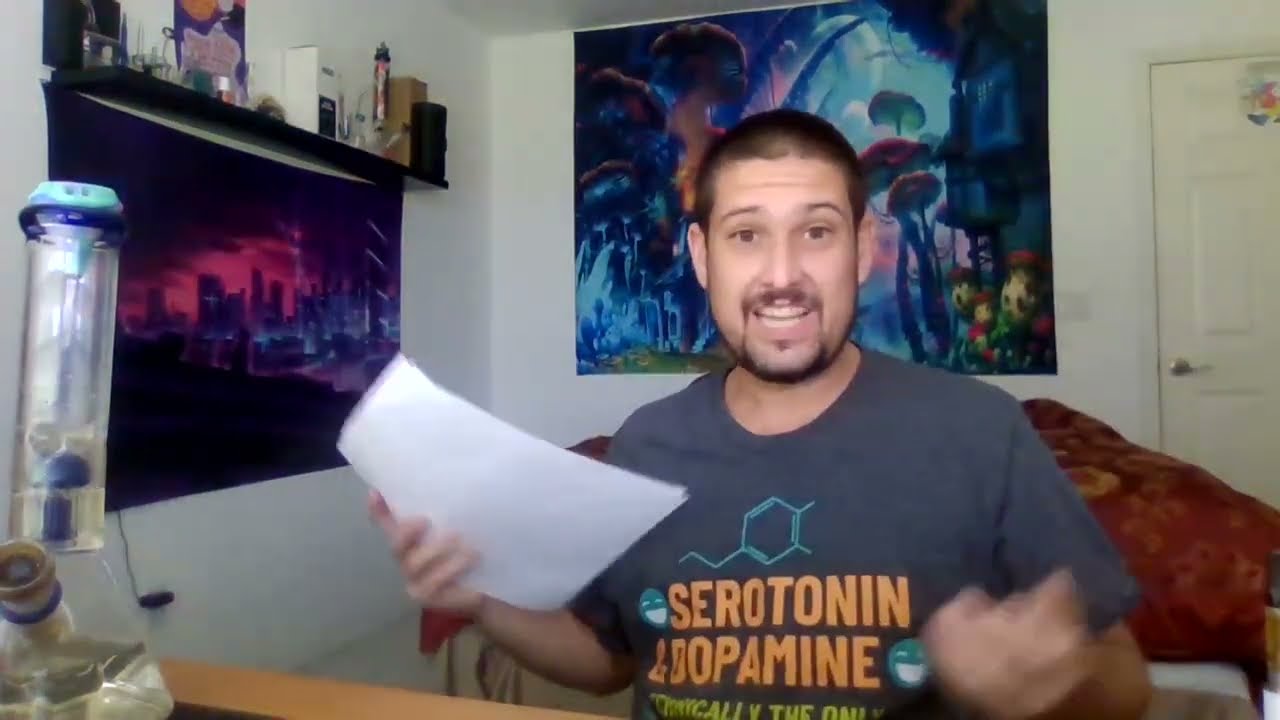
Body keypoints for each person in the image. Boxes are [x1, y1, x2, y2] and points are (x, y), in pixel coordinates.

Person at [370, 109, 1153, 720]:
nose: (783, 275)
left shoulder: (980, 432)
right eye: (747, 236)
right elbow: (609, 661)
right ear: (703, 256)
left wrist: (1055, 689)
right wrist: (479, 601)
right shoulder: (646, 443)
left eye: (816, 232)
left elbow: (1127, 683)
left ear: (861, 249)